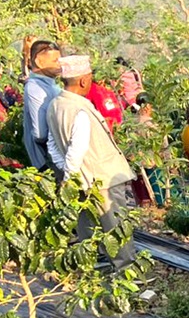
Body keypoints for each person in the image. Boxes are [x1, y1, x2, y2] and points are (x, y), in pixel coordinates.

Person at [45, 55, 138, 270]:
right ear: (83, 81)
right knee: (115, 226)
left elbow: (53, 145)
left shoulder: (55, 105)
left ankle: (94, 269)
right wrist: (71, 175)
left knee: (87, 226)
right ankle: (125, 272)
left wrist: (69, 176)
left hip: (81, 179)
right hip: (100, 177)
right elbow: (76, 150)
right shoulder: (79, 109)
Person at [22, 40, 63, 171]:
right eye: (55, 60)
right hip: (48, 161)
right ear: (39, 61)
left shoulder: (51, 85)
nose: (60, 65)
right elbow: (40, 134)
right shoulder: (35, 88)